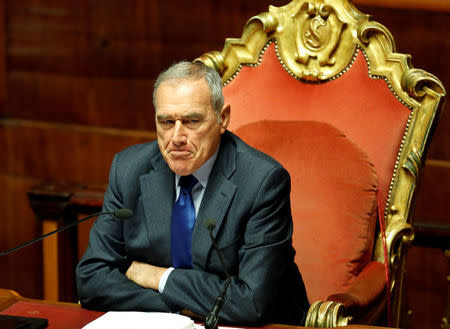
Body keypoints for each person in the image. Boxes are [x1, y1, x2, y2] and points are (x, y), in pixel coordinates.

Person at [76, 61, 309, 326]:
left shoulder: (262, 181)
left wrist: (160, 279)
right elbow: (91, 280)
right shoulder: (129, 169)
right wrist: (180, 306)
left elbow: (250, 304)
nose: (176, 137)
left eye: (191, 121)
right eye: (166, 122)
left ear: (223, 118)